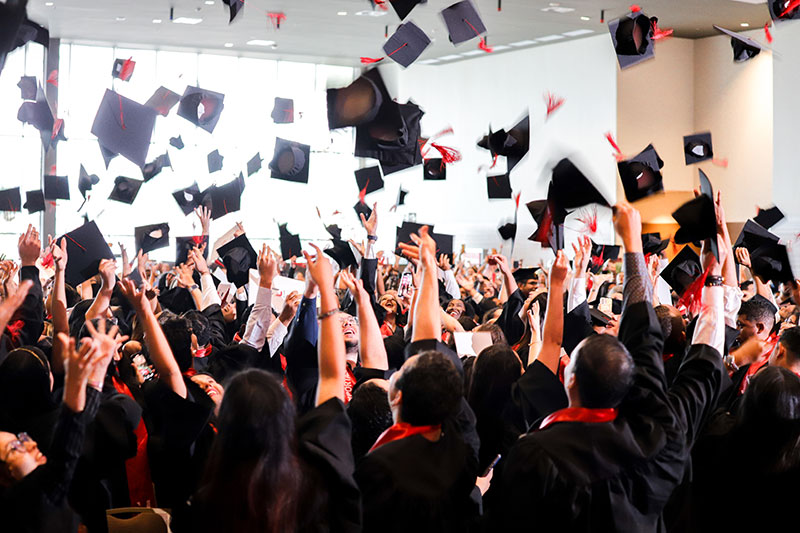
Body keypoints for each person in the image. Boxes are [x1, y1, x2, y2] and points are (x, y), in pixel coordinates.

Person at [486, 200, 728, 532]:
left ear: (570, 381)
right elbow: (703, 362)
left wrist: (630, 247)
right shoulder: (661, 437)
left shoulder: (535, 454)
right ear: (627, 383)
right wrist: (713, 277)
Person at [172, 240, 361, 533]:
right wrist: (321, 290)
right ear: (286, 417)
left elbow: (258, 339)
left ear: (228, 423)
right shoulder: (313, 489)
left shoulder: (201, 505)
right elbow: (330, 377)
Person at [356, 225, 480, 533]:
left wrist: (427, 271)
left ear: (397, 396)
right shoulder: (464, 450)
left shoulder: (378, 467)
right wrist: (428, 271)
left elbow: (424, 343)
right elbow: (426, 343)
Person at [0, 329, 118, 533]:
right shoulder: (30, 503)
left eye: (22, 439)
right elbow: (66, 448)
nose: (30, 444)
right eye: (15, 447)